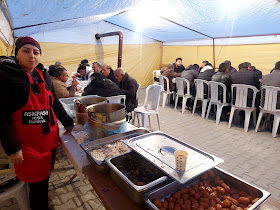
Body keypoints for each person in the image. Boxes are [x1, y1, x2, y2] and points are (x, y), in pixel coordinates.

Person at [0, 36, 74, 210]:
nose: (31, 55)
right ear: (17, 53)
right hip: (28, 145)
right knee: (37, 185)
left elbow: (54, 103)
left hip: (49, 141)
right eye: (26, 51)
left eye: (36, 52)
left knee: (44, 178)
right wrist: (13, 148)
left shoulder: (43, 74)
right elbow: (1, 117)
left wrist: (69, 123)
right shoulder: (6, 76)